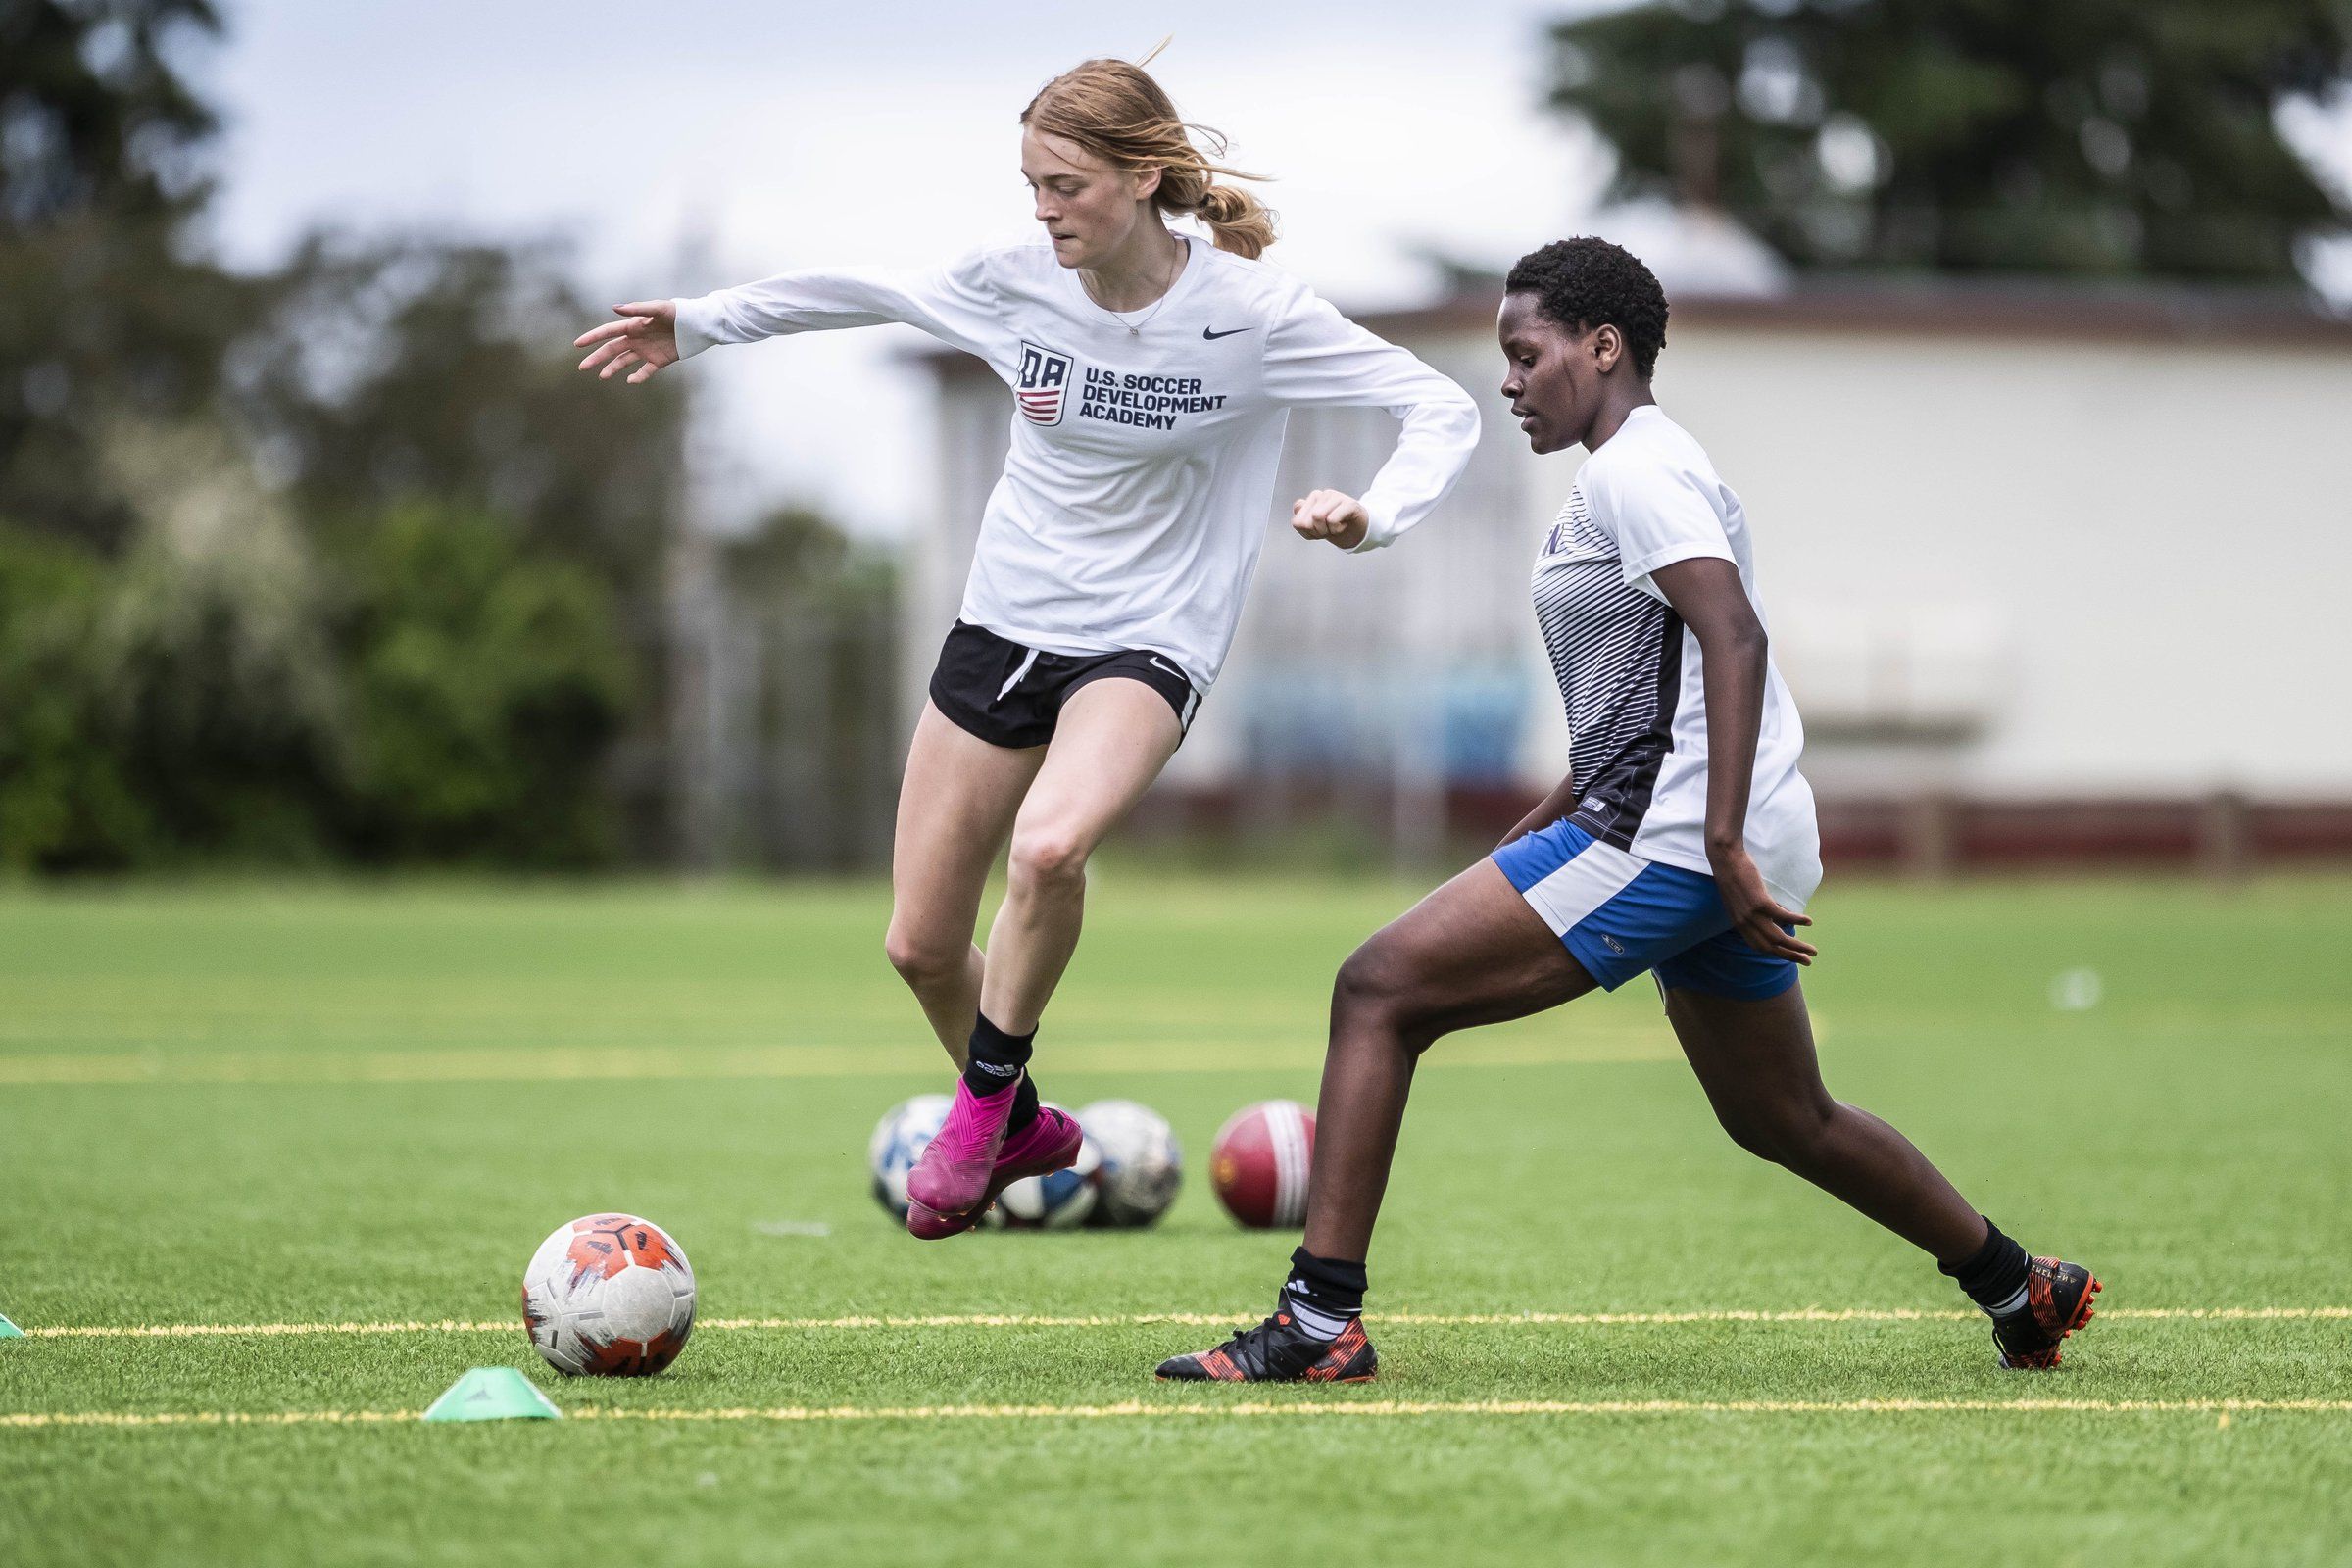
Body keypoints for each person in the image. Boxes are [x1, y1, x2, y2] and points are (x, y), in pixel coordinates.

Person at [1157, 237, 2099, 1383]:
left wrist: (1715, 842)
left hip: (1671, 836)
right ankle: (2018, 1284)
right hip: (1681, 824)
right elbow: (1655, 695)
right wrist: (1552, 818)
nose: (1508, 381)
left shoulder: (1638, 470)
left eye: (1525, 353)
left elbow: (1736, 634)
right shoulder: (1621, 473)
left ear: (1603, 348)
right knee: (1782, 1115)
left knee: (1377, 989)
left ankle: (1317, 1323)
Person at [574, 56, 1479, 1239]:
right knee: (918, 943)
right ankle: (1028, 1124)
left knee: (1050, 849)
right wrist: (697, 325)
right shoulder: (1011, 283)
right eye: (1031, 185)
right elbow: (866, 293)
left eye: (1066, 185)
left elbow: (1440, 404)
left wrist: (1372, 515)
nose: (1043, 209)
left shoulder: (1251, 313)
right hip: (1006, 620)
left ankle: (983, 1106)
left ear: (1143, 174)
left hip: (1152, 637)